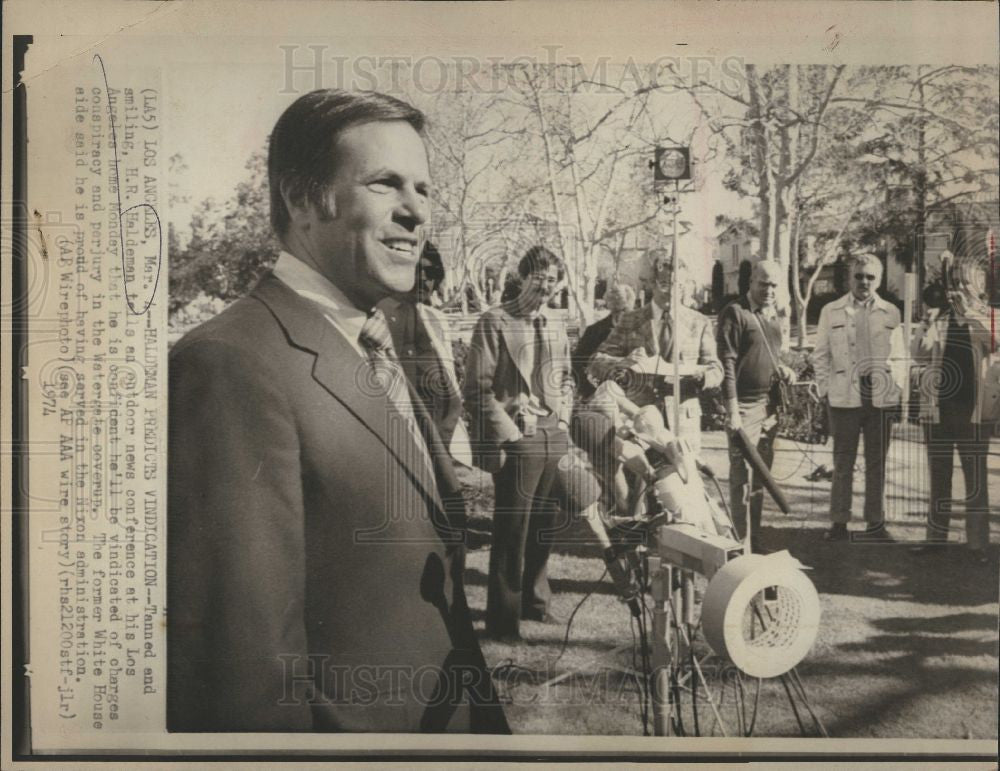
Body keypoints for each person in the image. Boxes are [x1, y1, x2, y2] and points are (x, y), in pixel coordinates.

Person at [168, 89, 509, 733]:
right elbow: (241, 665)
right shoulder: (231, 362)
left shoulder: (368, 337)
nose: (416, 213)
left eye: (425, 190)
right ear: (302, 200)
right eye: (385, 184)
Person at [463, 246, 600, 641]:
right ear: (521, 278)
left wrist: (563, 418)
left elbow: (567, 379)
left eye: (552, 281)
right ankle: (503, 620)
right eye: (539, 280)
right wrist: (510, 431)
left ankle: (536, 605)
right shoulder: (494, 322)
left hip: (554, 434)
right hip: (518, 441)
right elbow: (476, 390)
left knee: (544, 526)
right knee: (513, 530)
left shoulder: (556, 323)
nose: (546, 288)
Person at [588, 249, 722, 455]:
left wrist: (702, 377)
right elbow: (596, 362)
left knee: (683, 481)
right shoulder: (631, 320)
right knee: (640, 480)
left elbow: (716, 369)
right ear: (651, 284)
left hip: (683, 421)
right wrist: (624, 362)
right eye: (665, 284)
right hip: (638, 421)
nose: (672, 291)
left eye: (679, 285)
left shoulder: (699, 322)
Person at [909, 254, 999, 563]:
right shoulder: (941, 317)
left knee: (975, 480)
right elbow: (918, 355)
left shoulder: (988, 315)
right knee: (938, 475)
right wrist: (926, 322)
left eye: (964, 283)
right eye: (954, 283)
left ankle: (977, 546)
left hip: (973, 410)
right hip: (939, 407)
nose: (958, 289)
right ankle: (936, 538)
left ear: (979, 287)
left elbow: (994, 341)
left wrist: (966, 313)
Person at [812, 253, 907, 542]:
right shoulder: (832, 310)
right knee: (843, 462)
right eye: (859, 276)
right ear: (850, 278)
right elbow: (820, 354)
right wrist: (826, 389)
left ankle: (875, 524)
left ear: (878, 280)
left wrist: (898, 389)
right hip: (844, 396)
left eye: (870, 277)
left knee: (877, 463)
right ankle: (839, 523)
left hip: (880, 396)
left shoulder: (891, 311)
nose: (864, 282)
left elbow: (900, 356)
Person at [716, 260, 796, 548]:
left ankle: (755, 537)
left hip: (768, 409)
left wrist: (783, 369)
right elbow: (727, 363)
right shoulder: (735, 313)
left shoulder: (773, 316)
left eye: (775, 284)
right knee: (741, 479)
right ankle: (740, 543)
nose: (770, 289)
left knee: (761, 477)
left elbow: (767, 356)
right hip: (744, 409)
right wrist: (733, 410)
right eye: (764, 283)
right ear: (751, 282)